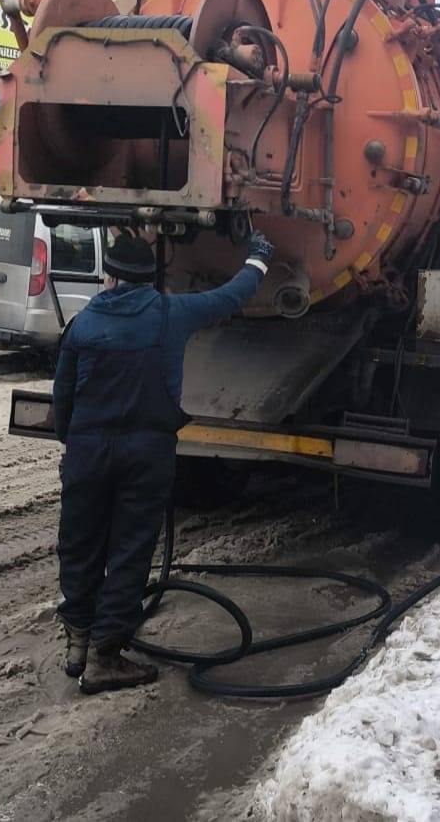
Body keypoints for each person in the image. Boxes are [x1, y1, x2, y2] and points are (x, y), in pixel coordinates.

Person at [51, 230, 273, 694]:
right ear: (147, 280)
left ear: (109, 278)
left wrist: (75, 448)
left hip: (88, 452)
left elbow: (62, 403)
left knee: (80, 543)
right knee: (130, 551)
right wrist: (257, 258)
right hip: (145, 454)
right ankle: (105, 656)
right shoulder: (172, 314)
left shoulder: (82, 325)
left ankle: (77, 641)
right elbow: (231, 296)